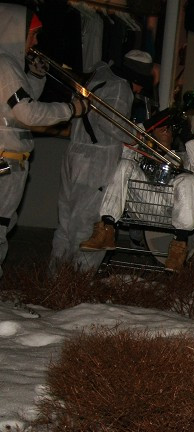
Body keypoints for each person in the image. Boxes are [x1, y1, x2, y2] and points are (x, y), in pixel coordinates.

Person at [0, 7, 86, 277]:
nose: (35, 42)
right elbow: (27, 114)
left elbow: (18, 107)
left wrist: (36, 77)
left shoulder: (9, 65)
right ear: (16, 32)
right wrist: (70, 110)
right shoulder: (5, 64)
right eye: (33, 35)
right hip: (5, 161)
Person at [78, 108, 194, 271]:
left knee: (192, 179)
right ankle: (106, 229)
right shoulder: (139, 153)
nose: (165, 130)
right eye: (161, 126)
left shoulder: (183, 158)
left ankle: (179, 246)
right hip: (141, 204)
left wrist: (187, 135)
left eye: (169, 128)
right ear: (152, 131)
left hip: (172, 212)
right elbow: (124, 146)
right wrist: (149, 123)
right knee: (124, 164)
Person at [50, 59, 135, 272]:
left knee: (66, 222)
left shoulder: (94, 78)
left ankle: (55, 277)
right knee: (91, 226)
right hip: (96, 161)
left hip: (74, 154)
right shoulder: (119, 86)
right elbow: (112, 124)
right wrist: (136, 135)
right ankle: (77, 283)